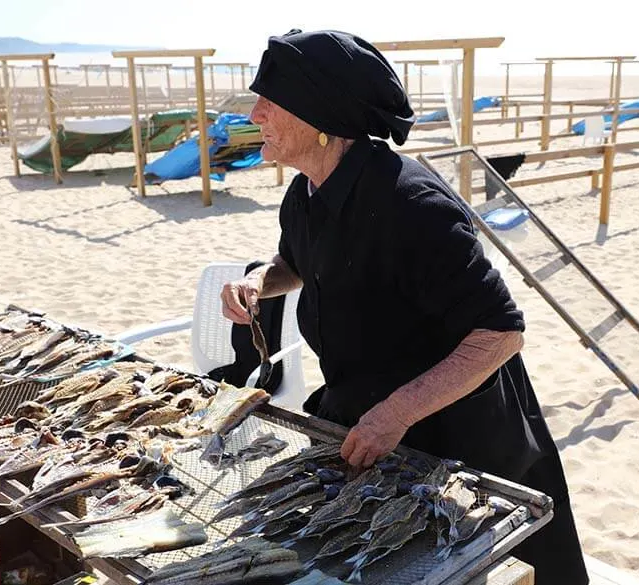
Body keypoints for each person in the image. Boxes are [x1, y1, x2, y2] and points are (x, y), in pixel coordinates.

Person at [220, 29, 589, 585]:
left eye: (271, 101)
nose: (256, 113)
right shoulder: (307, 191)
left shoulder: (411, 205)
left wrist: (395, 414)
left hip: (455, 434)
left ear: (321, 118)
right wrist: (256, 282)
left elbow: (500, 332)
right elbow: (295, 264)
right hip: (365, 415)